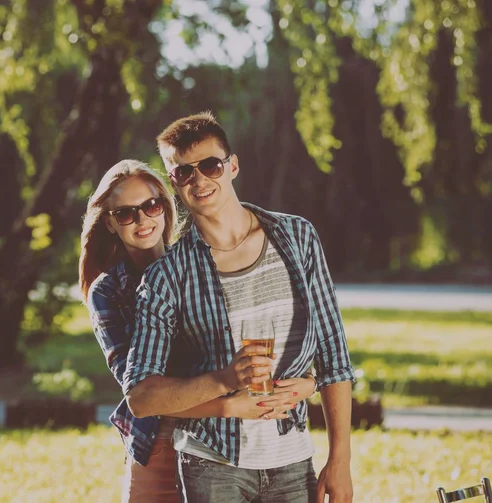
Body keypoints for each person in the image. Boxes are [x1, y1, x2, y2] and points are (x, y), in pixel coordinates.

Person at [123, 113, 356, 503]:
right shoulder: (167, 276)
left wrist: (340, 460)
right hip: (211, 465)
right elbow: (141, 397)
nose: (199, 179)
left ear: (232, 165)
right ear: (173, 183)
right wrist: (226, 378)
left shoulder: (298, 238)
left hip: (293, 459)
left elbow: (334, 357)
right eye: (183, 173)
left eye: (210, 165)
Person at [79, 159, 317, 502]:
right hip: (163, 440)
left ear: (165, 205)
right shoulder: (108, 292)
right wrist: (229, 406)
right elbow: (143, 397)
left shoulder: (199, 265)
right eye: (126, 214)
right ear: (111, 224)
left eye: (150, 205)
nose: (143, 219)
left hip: (225, 441)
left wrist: (307, 381)